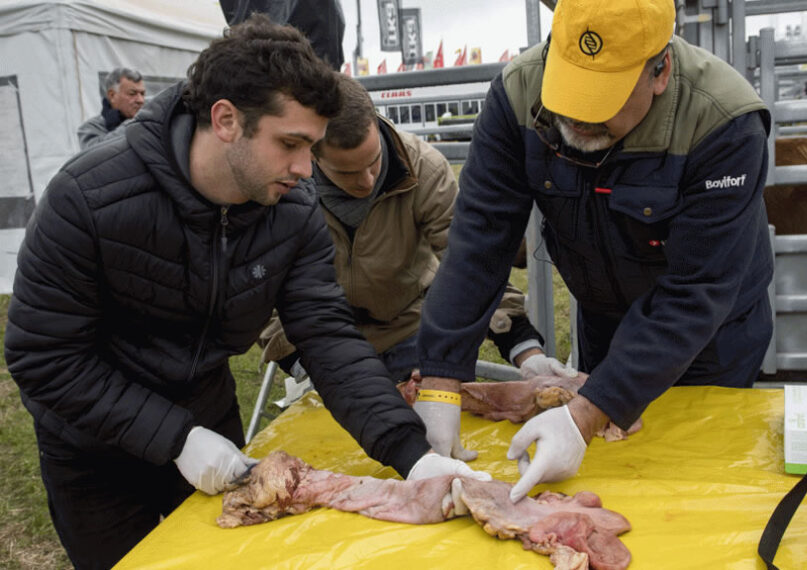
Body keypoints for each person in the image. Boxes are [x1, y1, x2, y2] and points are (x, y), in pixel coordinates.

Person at [4, 16, 486, 570]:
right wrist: (176, 440)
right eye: (291, 144)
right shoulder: (87, 199)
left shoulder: (293, 211)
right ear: (226, 119)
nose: (307, 170)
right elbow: (44, 356)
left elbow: (326, 336)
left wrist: (412, 454)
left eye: (313, 147)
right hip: (95, 451)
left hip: (211, 425)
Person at [415, 0, 774, 502]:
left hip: (709, 335)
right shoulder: (517, 94)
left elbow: (698, 289)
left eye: (603, 96)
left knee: (693, 482)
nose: (580, 115)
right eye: (572, 87)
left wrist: (585, 414)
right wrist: (440, 378)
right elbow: (479, 241)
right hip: (605, 316)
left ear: (660, 71)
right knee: (611, 476)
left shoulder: (721, 122)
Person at [257, 75, 573, 458]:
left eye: (374, 162)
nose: (368, 180)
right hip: (324, 345)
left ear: (376, 124)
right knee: (335, 457)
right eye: (347, 173)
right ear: (313, 157)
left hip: (410, 330)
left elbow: (472, 265)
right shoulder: (282, 187)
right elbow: (261, 288)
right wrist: (305, 364)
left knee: (436, 446)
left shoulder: (424, 168)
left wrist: (525, 351)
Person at [76, 67, 146, 150]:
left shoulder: (149, 122)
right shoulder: (90, 128)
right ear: (112, 95)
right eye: (132, 93)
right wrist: (133, 124)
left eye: (142, 94)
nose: (140, 100)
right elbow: (94, 155)